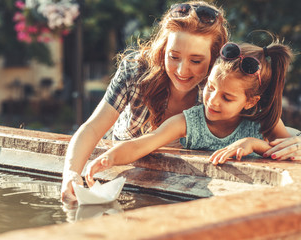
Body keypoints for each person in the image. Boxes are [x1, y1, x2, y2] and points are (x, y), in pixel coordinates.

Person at [61, 1, 229, 202]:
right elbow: (93, 128)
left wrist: (275, 141)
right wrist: (70, 174)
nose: (182, 71)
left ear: (213, 59)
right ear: (163, 49)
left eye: (195, 61)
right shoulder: (135, 71)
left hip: (182, 194)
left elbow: (256, 126)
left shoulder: (221, 87)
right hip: (120, 183)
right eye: (174, 56)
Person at [85, 40, 296, 186]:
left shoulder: (263, 122)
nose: (212, 101)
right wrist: (108, 159)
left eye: (227, 97)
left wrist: (255, 144)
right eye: (211, 88)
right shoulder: (190, 121)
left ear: (250, 102)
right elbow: (145, 143)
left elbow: (293, 156)